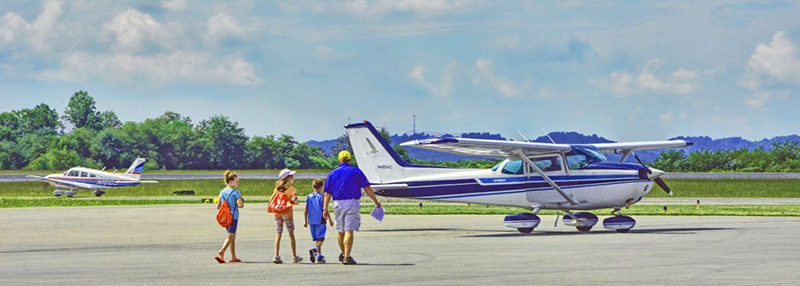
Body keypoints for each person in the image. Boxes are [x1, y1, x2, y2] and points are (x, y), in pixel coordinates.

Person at [323, 150, 382, 265]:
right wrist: (375, 200)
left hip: (337, 204)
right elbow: (367, 188)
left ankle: (344, 253)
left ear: (339, 160)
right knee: (349, 231)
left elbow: (327, 193)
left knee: (340, 231)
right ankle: (347, 256)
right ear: (350, 159)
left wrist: (325, 209)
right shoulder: (356, 171)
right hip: (352, 203)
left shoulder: (332, 173)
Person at [270, 169, 303, 264]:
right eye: (292, 176)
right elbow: (295, 201)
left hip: (277, 213)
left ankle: (276, 256)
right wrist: (294, 200)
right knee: (291, 234)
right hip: (287, 213)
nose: (293, 178)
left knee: (278, 234)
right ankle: (294, 256)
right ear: (288, 178)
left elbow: (271, 199)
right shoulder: (292, 189)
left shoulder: (277, 189)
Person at [215, 170, 244, 263]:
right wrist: (239, 202)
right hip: (233, 216)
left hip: (225, 217)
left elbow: (218, 206)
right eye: (237, 181)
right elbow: (241, 205)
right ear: (230, 182)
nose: (238, 183)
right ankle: (222, 251)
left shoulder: (222, 192)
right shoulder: (236, 192)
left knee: (232, 236)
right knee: (231, 235)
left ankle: (233, 256)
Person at [304, 179, 333, 264]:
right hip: (320, 220)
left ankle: (319, 256)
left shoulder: (309, 197)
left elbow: (306, 210)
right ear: (322, 187)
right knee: (321, 239)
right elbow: (325, 210)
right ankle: (315, 249)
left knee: (317, 239)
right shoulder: (322, 197)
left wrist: (305, 221)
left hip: (311, 220)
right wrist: (330, 220)